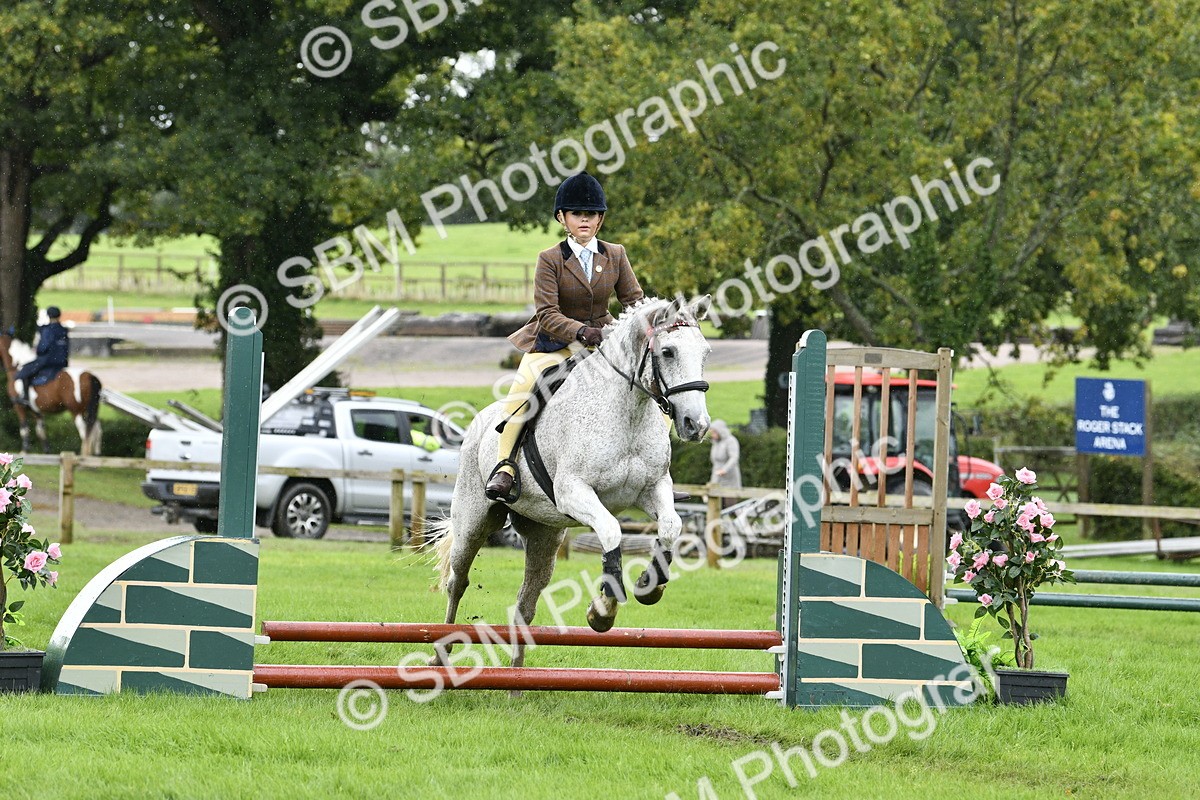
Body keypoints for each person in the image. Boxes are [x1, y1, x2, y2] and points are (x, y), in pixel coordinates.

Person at [484, 171, 645, 503]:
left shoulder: (615, 254)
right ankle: (506, 467)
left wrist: (647, 326)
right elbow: (547, 314)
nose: (584, 220)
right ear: (562, 218)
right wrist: (581, 331)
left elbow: (634, 301)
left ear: (600, 219)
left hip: (603, 343)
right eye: (576, 214)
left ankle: (655, 466)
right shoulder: (551, 259)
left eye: (591, 214)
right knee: (523, 389)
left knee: (647, 380)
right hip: (555, 344)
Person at [14, 306, 70, 407]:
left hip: (47, 361)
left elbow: (42, 348)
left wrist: (38, 350)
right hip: (62, 362)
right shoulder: (64, 330)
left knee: (24, 371)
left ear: (48, 316)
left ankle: (25, 397)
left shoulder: (48, 330)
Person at [708, 419, 741, 508]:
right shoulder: (715, 443)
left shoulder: (731, 441)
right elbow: (715, 462)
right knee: (715, 506)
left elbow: (734, 458)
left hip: (729, 479)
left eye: (714, 432)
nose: (712, 435)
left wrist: (724, 469)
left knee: (730, 507)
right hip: (717, 478)